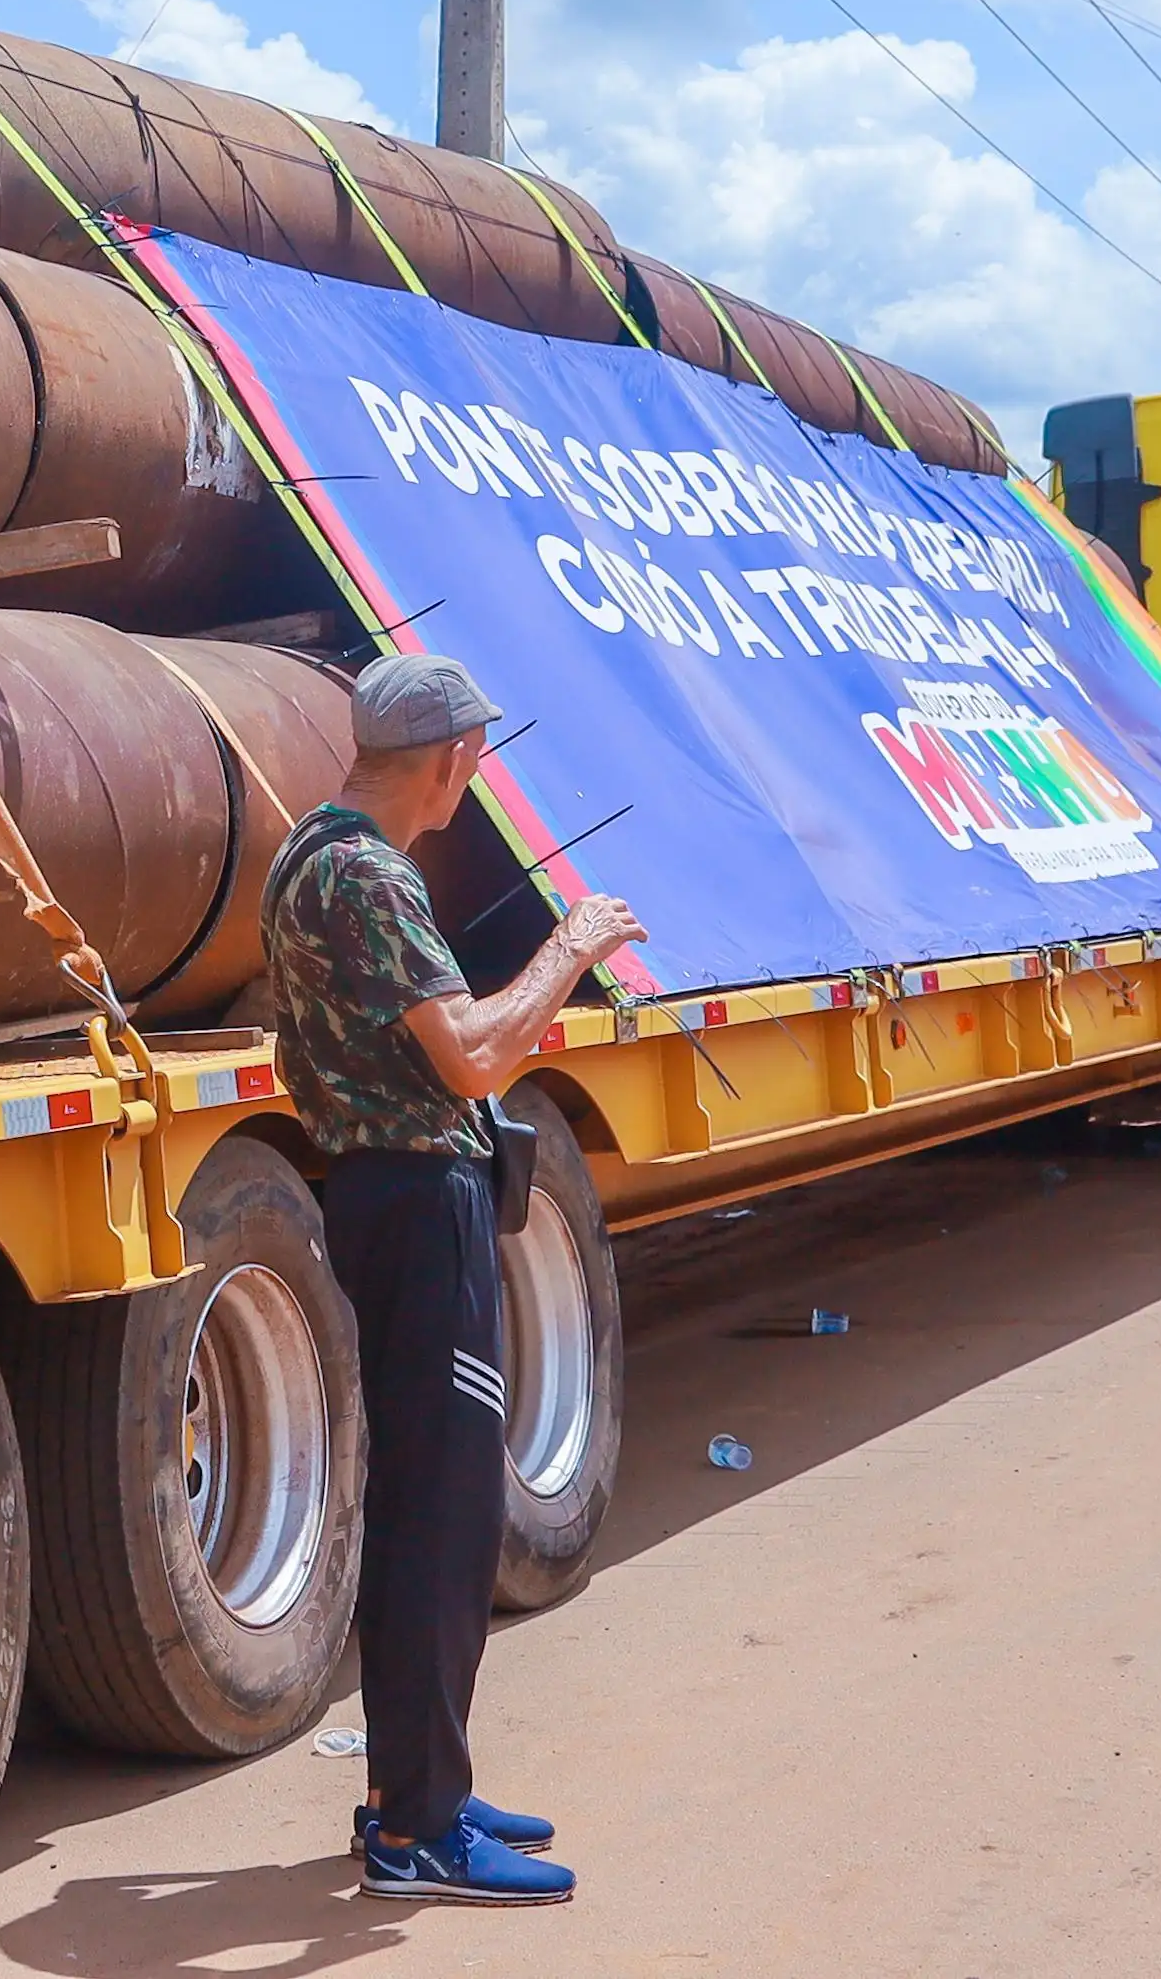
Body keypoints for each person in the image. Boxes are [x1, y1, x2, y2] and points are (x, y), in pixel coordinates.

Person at [258, 651, 646, 1909]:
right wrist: (568, 948)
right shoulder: (367, 874)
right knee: (444, 1513)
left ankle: (415, 1787)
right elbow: (472, 1055)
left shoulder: (307, 850)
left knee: (428, 1501)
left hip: (388, 1194)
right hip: (416, 1204)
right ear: (449, 759)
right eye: (472, 761)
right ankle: (416, 1826)